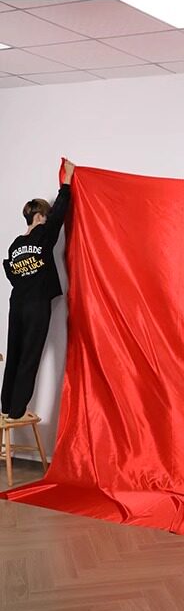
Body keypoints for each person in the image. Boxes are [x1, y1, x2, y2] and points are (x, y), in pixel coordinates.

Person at [1, 158, 75, 423]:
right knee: (30, 357)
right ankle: (17, 412)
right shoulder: (44, 235)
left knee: (14, 353)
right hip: (36, 306)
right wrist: (67, 181)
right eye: (46, 215)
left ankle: (6, 406)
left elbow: (11, 272)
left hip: (16, 304)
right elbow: (61, 211)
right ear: (41, 216)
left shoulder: (15, 245)